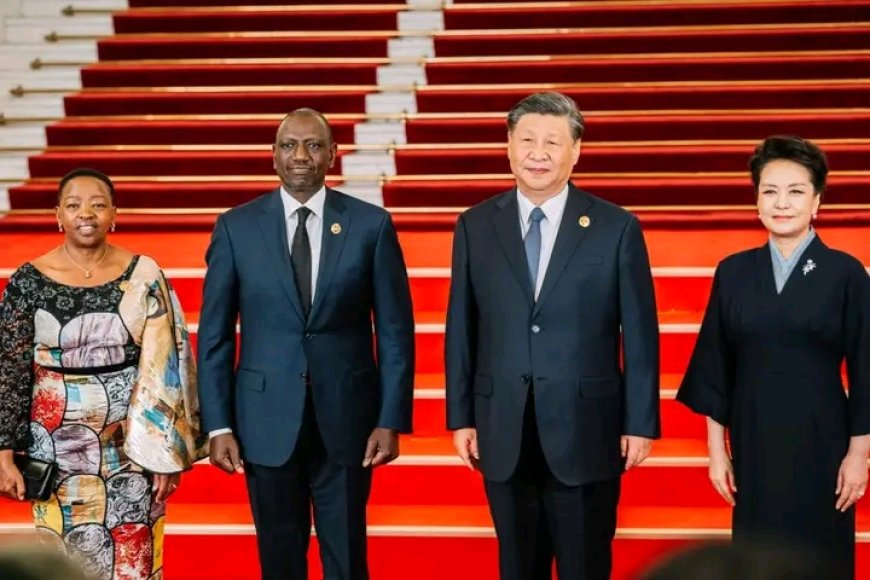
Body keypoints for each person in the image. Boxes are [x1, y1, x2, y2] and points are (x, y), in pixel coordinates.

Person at [445, 91, 661, 580]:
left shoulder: (616, 227)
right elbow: (462, 326)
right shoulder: (476, 225)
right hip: (503, 426)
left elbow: (642, 334)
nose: (537, 153)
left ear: (576, 151)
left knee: (585, 565)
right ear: (508, 146)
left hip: (589, 427)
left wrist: (641, 421)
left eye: (552, 142)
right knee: (518, 567)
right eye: (527, 140)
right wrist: (461, 415)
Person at [197, 108, 415, 580]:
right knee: (279, 560)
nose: (301, 156)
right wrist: (217, 426)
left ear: (333, 155)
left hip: (350, 424)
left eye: (314, 145)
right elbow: (214, 336)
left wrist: (390, 418)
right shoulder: (236, 227)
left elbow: (396, 332)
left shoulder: (371, 225)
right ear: (273, 156)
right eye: (289, 145)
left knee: (348, 559)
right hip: (263, 424)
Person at [677, 135, 870, 579]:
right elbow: (715, 363)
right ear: (757, 200)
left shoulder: (845, 272)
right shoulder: (733, 271)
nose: (782, 203)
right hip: (754, 438)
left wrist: (858, 455)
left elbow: (865, 368)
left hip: (822, 439)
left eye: (796, 191)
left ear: (817, 200)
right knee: (756, 558)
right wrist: (716, 451)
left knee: (821, 555)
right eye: (770, 191)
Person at [0, 168, 207, 580]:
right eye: (74, 205)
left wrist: (166, 455)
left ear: (114, 213)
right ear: (58, 214)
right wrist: (4, 452)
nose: (86, 214)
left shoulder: (145, 274)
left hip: (132, 444)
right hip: (54, 446)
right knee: (62, 557)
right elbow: (9, 368)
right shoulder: (28, 280)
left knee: (135, 554)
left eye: (97, 204)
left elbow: (168, 365)